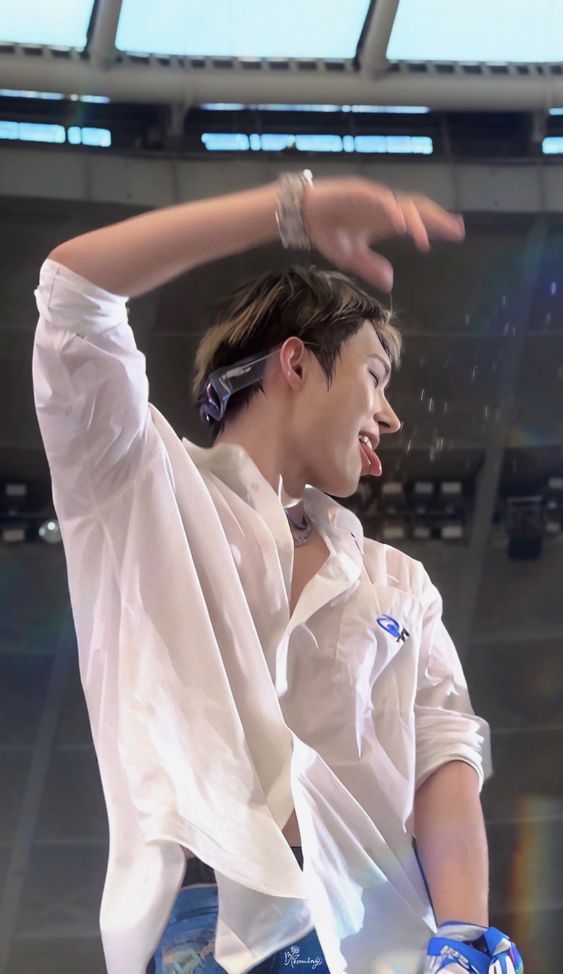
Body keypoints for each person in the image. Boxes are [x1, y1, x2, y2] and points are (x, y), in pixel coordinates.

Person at [32, 172, 523, 974]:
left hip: (374, 938)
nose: (389, 415)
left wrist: (465, 937)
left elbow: (443, 759)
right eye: (373, 376)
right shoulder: (137, 483)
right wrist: (292, 209)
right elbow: (74, 290)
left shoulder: (400, 582)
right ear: (295, 363)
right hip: (204, 925)